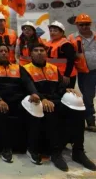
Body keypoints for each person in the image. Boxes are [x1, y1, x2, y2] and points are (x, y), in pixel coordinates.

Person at [23, 43, 96, 172]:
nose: (39, 53)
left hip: (56, 100)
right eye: (36, 50)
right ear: (31, 54)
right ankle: (55, 152)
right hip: (38, 102)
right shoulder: (25, 69)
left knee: (78, 111)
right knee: (52, 111)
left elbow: (60, 87)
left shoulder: (53, 68)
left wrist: (66, 89)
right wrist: (42, 98)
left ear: (46, 53)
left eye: (42, 50)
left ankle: (78, 151)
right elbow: (29, 88)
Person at [0, 44, 40, 163]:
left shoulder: (18, 67)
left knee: (35, 109)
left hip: (18, 100)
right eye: (1, 51)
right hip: (1, 100)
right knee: (2, 111)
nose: (4, 53)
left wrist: (34, 93)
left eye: (6, 51)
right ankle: (6, 148)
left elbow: (28, 82)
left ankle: (32, 147)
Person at [68, 14, 96, 131]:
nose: (84, 27)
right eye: (81, 24)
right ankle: (90, 121)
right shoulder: (71, 38)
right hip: (85, 72)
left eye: (87, 24)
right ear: (77, 25)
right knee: (88, 97)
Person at [45, 21, 77, 88]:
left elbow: (71, 60)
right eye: (51, 31)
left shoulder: (66, 44)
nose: (52, 32)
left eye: (55, 31)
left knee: (67, 96)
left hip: (65, 75)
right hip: (53, 74)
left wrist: (67, 75)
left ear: (62, 32)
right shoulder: (49, 43)